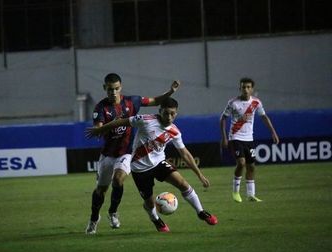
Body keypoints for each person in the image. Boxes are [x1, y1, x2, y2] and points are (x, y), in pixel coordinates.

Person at [86, 97, 218, 232]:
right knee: (149, 202)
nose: (169, 117)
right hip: (140, 169)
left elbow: (185, 154)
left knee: (183, 183)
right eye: (166, 113)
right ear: (160, 111)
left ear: (176, 114)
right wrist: (100, 129)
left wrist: (200, 175)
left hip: (159, 163)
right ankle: (156, 220)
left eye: (172, 113)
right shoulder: (145, 120)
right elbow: (121, 122)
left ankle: (201, 212)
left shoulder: (175, 131)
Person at [85, 73, 181, 234]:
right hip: (108, 154)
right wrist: (98, 129)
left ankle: (113, 211)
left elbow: (155, 101)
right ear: (105, 88)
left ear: (120, 87)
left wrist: (170, 91)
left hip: (127, 152)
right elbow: (99, 126)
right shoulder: (100, 107)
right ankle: (94, 218)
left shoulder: (132, 101)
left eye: (116, 89)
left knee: (118, 179)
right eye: (110, 89)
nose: (113, 92)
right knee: (101, 190)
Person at [220, 77, 279, 203]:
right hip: (235, 137)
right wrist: (224, 137)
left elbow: (264, 117)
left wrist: (273, 132)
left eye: (248, 87)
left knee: (251, 166)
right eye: (243, 87)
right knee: (241, 163)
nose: (246, 90)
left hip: (249, 139)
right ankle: (235, 192)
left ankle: (251, 195)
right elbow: (223, 119)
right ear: (239, 88)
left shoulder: (256, 103)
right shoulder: (233, 102)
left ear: (252, 89)